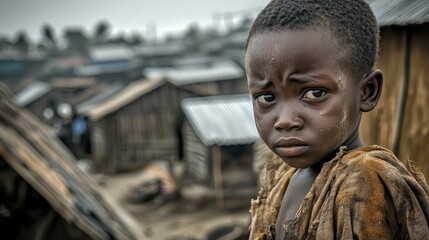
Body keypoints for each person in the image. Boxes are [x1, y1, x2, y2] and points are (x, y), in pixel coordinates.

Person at [244, 0, 429, 239]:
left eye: (314, 93)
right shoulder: (287, 177)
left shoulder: (363, 182)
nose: (285, 120)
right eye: (267, 97)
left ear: (367, 92)